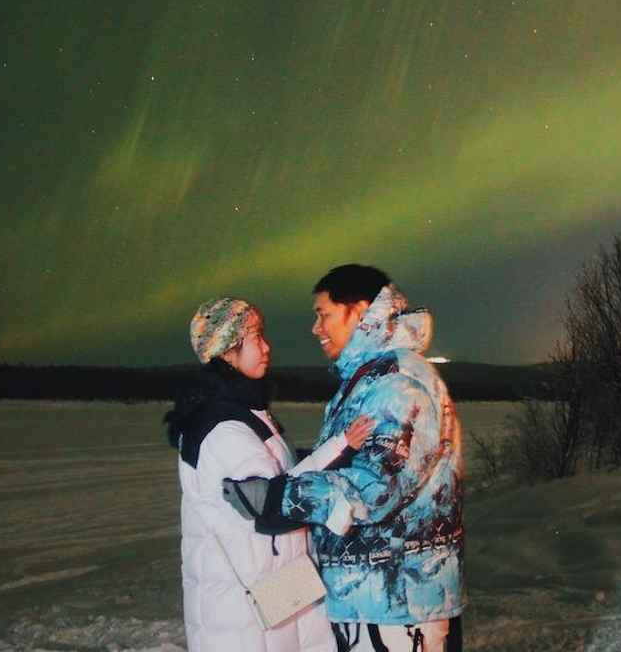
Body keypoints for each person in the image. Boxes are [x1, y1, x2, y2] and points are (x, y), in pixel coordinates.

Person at [223, 265, 466, 652]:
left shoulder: (398, 384)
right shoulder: (367, 380)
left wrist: (280, 498)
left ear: (361, 310)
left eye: (323, 314)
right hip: (370, 600)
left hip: (395, 608)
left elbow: (374, 487)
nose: (315, 328)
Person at [165, 296, 374, 652]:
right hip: (243, 608)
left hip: (277, 587)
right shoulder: (221, 428)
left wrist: (342, 446)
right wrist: (336, 503)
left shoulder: (247, 413)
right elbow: (269, 505)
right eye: (254, 337)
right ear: (227, 351)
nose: (266, 347)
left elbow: (285, 478)